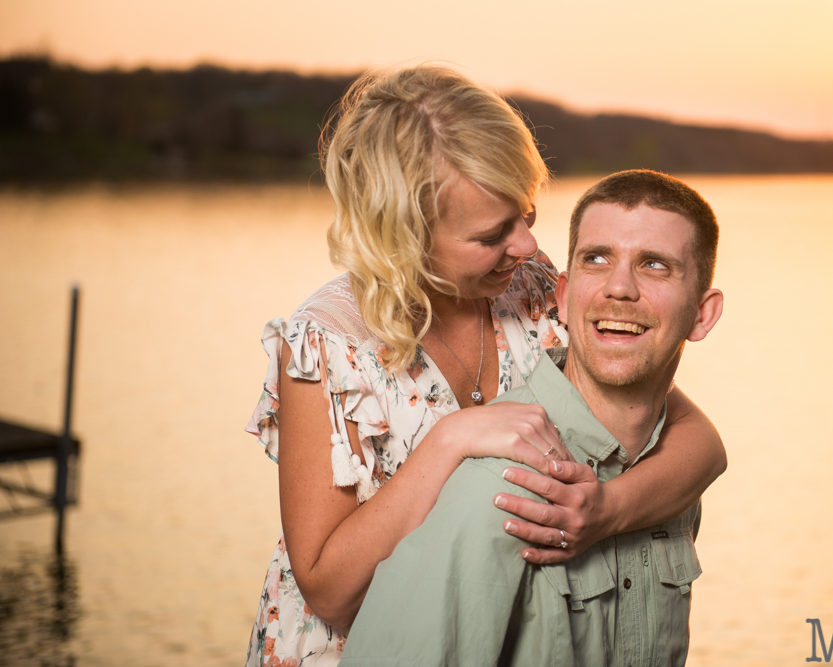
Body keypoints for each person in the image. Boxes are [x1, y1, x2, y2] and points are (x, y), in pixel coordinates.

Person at [245, 66, 727, 666]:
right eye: (493, 233)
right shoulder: (327, 347)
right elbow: (326, 591)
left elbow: (698, 442)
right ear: (408, 236)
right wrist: (448, 440)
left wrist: (608, 510)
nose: (527, 244)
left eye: (526, 215)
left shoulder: (529, 289)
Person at [340, 169, 725, 667]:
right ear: (563, 298)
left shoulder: (666, 471)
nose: (619, 288)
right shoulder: (501, 489)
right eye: (598, 258)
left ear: (702, 315)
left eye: (654, 265)